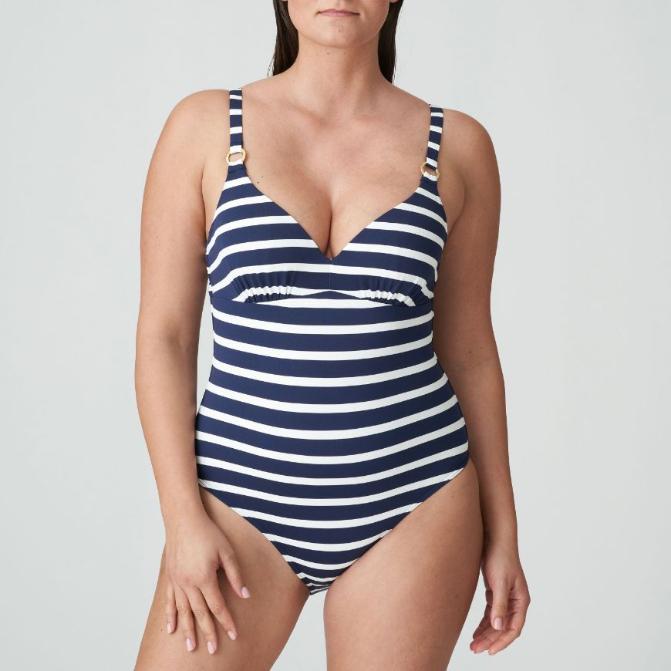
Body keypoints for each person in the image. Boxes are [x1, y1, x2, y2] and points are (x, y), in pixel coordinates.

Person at [134, 1, 530, 668]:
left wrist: (503, 531)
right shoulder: (203, 127)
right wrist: (182, 520)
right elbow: (164, 338)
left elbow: (469, 352)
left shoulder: (459, 145)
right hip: (238, 499)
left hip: (417, 497)